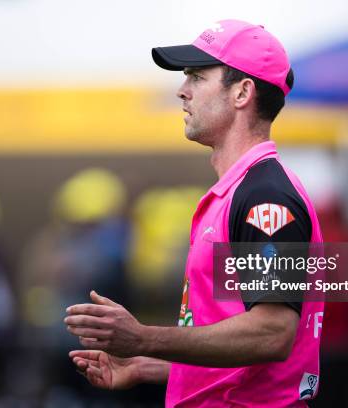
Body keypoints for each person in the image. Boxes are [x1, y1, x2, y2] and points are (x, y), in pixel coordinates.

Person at [65, 19, 324, 407]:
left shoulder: (264, 196)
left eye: (197, 77)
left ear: (242, 92)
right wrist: (150, 362)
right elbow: (239, 346)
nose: (182, 91)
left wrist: (143, 337)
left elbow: (272, 333)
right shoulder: (240, 191)